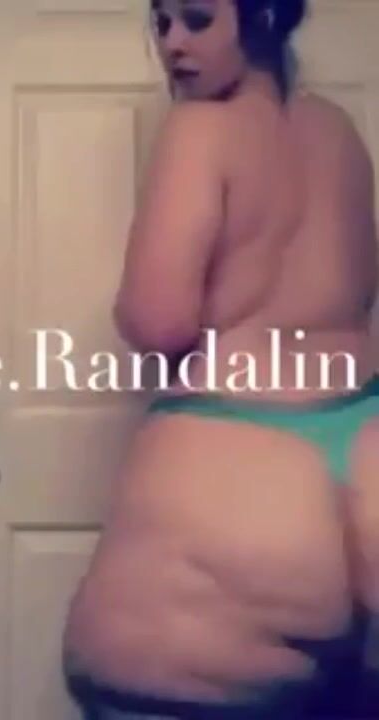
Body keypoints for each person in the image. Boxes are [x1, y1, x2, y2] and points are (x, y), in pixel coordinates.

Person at [61, 1, 379, 717]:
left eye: (198, 20)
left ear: (261, 17)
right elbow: (358, 292)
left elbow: (158, 320)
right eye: (161, 22)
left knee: (128, 681)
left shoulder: (200, 128)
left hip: (239, 461)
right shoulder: (340, 133)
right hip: (365, 447)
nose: (173, 43)